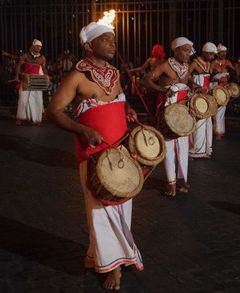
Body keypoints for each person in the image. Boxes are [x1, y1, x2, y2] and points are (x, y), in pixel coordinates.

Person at [46, 22, 143, 290]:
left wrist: (128, 111)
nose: (113, 43)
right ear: (89, 45)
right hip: (93, 153)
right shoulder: (76, 75)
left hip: (121, 149)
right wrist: (83, 130)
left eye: (113, 39)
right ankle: (113, 267)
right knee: (100, 210)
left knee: (123, 205)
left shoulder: (113, 72)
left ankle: (94, 255)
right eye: (106, 39)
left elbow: (118, 99)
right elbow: (53, 110)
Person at [142, 37, 198, 196]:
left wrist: (195, 86)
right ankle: (171, 183)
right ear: (176, 50)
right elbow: (145, 80)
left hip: (183, 112)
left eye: (189, 51)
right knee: (169, 147)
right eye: (185, 50)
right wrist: (161, 89)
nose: (189, 54)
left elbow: (189, 82)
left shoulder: (187, 67)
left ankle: (181, 180)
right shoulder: (165, 65)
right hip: (167, 111)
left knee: (184, 147)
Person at [188, 42, 217, 159]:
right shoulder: (195, 63)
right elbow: (187, 75)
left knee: (207, 121)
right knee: (198, 121)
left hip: (205, 95)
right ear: (204, 52)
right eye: (210, 54)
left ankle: (204, 150)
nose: (212, 57)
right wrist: (195, 85)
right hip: (196, 95)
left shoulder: (209, 63)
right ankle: (193, 150)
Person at [13, 39, 48, 125]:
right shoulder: (25, 56)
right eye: (37, 46)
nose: (39, 48)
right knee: (23, 99)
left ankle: (36, 120)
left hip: (37, 80)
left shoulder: (42, 58)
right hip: (26, 79)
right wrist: (17, 75)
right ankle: (20, 118)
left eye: (40, 47)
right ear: (33, 46)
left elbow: (43, 69)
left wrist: (47, 76)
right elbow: (19, 65)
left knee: (37, 99)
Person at [129, 44, 166, 123]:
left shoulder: (160, 61)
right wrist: (131, 71)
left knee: (153, 100)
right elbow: (141, 68)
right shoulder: (159, 61)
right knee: (152, 100)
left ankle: (154, 118)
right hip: (153, 83)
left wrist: (131, 71)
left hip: (154, 83)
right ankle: (153, 118)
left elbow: (141, 68)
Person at [211, 43, 235, 140]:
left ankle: (219, 131)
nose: (224, 54)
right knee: (214, 108)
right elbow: (209, 77)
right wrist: (217, 77)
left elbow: (234, 73)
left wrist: (230, 74)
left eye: (225, 52)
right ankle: (213, 129)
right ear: (217, 53)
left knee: (221, 110)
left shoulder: (227, 62)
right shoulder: (213, 63)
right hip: (214, 87)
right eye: (222, 52)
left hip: (223, 88)